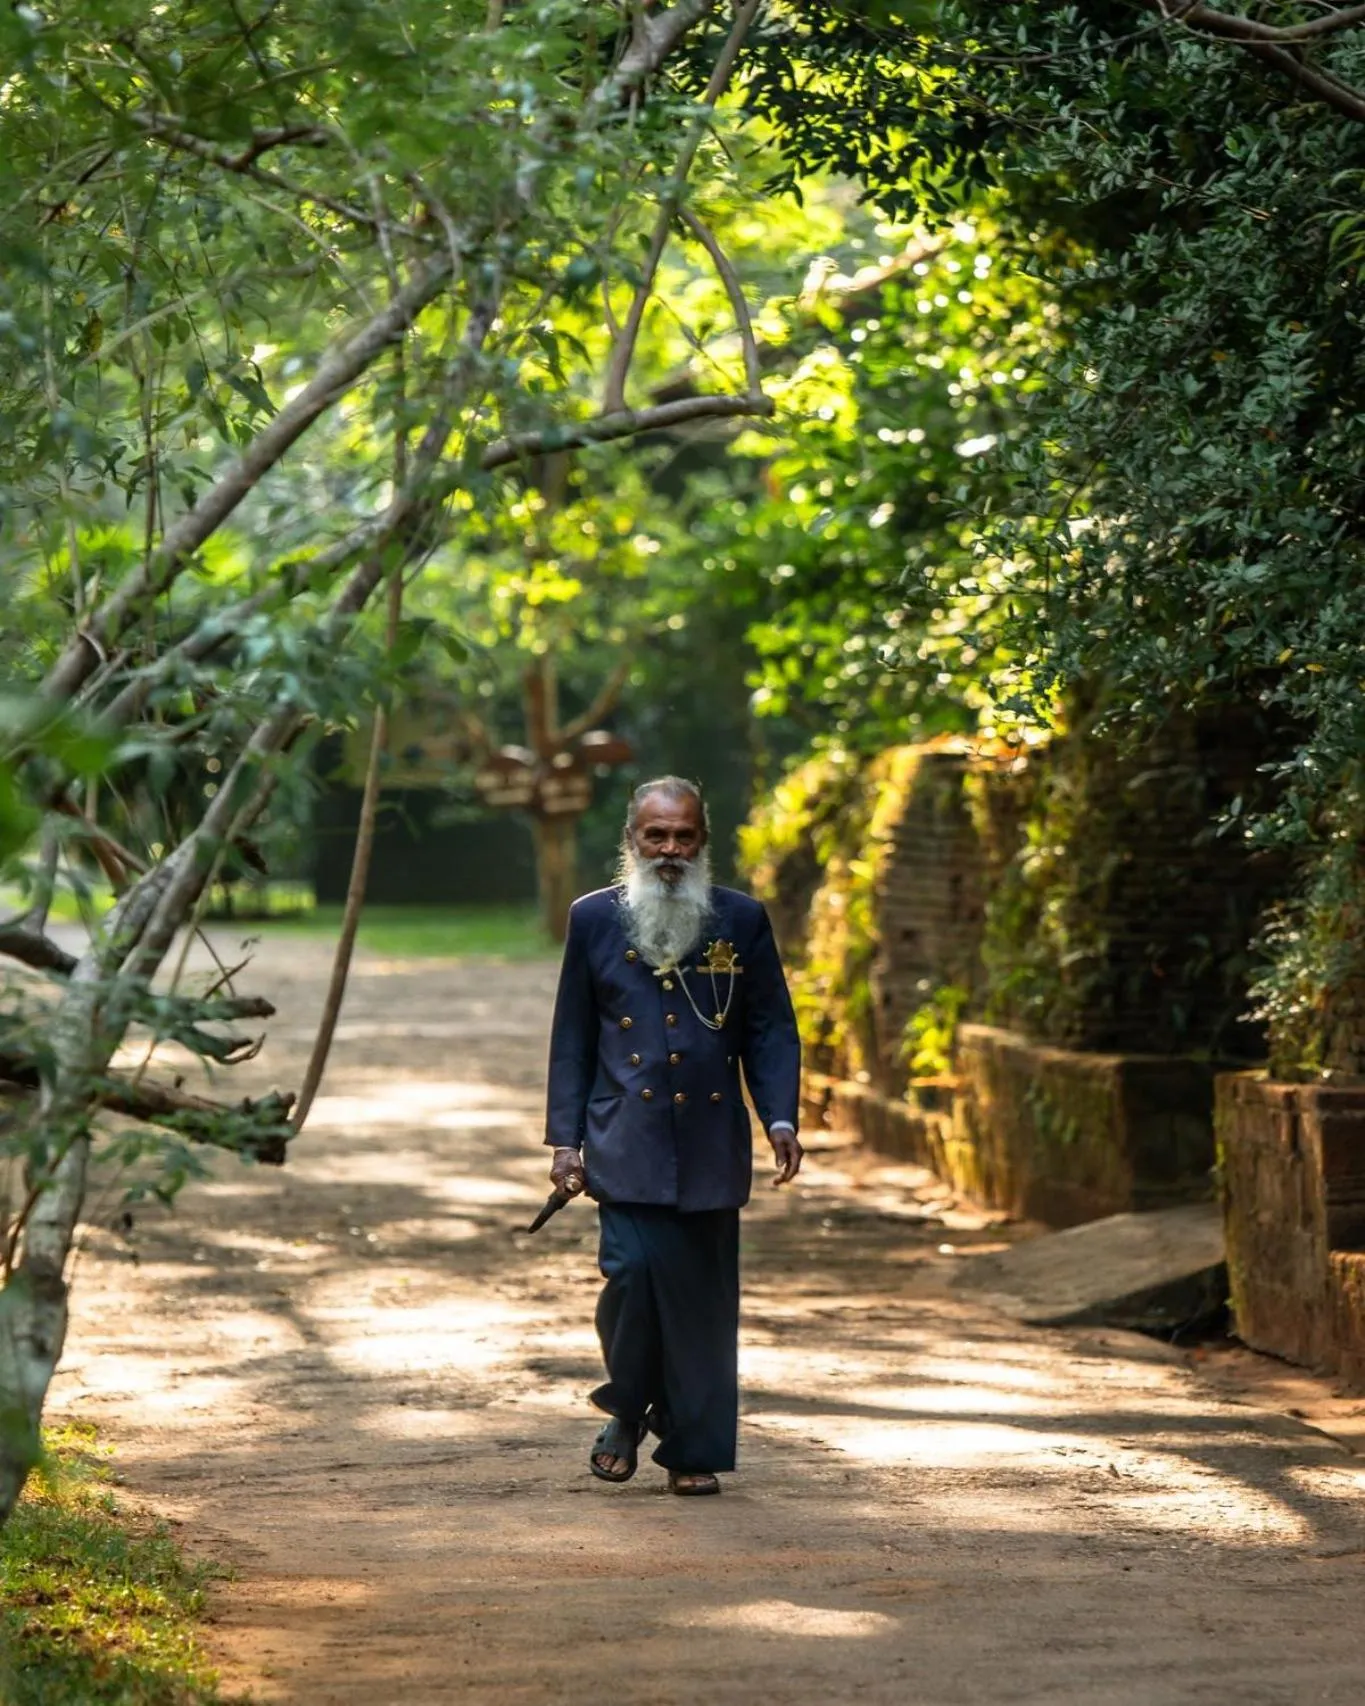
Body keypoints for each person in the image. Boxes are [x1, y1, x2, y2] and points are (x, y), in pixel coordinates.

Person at [543, 775, 802, 1497]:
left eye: (683, 836)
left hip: (711, 1140)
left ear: (703, 841)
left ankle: (691, 1451)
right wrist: (565, 1141)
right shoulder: (592, 919)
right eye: (655, 835)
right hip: (622, 1137)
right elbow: (571, 1037)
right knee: (628, 1281)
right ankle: (628, 1405)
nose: (669, 850)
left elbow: (770, 1028)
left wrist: (778, 1116)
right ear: (631, 839)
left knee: (700, 1303)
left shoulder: (741, 920)